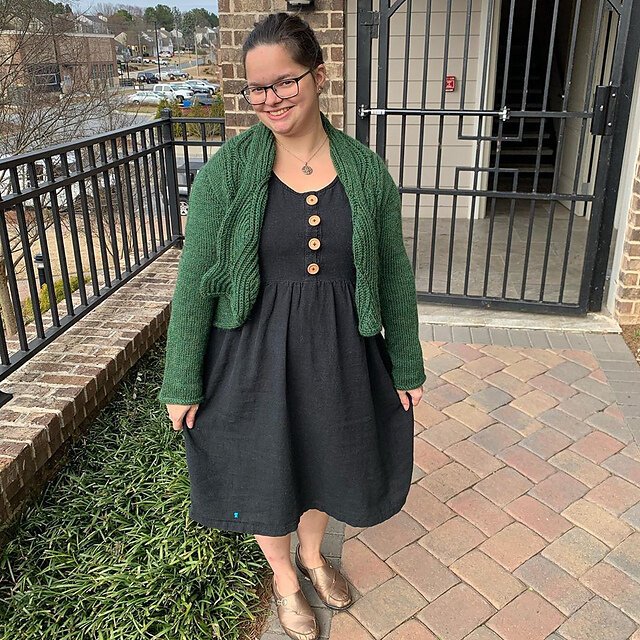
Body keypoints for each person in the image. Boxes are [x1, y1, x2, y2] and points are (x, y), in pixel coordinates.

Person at [157, 12, 426, 640]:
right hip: (252, 352)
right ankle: (283, 576)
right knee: (268, 464)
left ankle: (313, 555)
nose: (271, 98)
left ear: (318, 77)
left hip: (340, 350)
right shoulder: (227, 174)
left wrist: (407, 364)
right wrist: (182, 379)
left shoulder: (365, 171)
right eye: (257, 87)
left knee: (325, 458)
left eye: (285, 81)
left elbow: (393, 274)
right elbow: (195, 282)